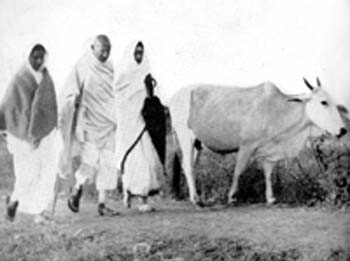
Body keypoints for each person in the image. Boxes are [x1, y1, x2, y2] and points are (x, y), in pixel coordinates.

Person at [58, 35, 118, 216]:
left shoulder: (110, 67)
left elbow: (112, 93)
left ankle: (102, 203)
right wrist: (72, 98)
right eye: (102, 50)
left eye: (108, 50)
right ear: (93, 48)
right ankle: (77, 189)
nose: (105, 54)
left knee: (108, 162)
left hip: (109, 122)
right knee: (90, 161)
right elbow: (70, 89)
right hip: (90, 122)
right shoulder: (82, 66)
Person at [0, 43, 58, 223]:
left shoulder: (47, 78)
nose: (38, 60)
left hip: (45, 134)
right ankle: (14, 201)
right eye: (35, 56)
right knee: (27, 174)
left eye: (42, 56)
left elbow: (49, 107)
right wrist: (23, 133)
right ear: (28, 56)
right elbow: (11, 108)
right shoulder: (20, 78)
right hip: (23, 136)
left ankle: (40, 213)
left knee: (46, 173)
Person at [115, 41, 165, 212]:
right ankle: (130, 193)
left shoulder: (146, 72)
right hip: (129, 124)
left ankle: (142, 198)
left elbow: (152, 96)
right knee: (133, 160)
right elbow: (120, 99)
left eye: (141, 53)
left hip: (143, 123)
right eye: (136, 53)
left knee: (146, 160)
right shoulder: (123, 74)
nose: (139, 56)